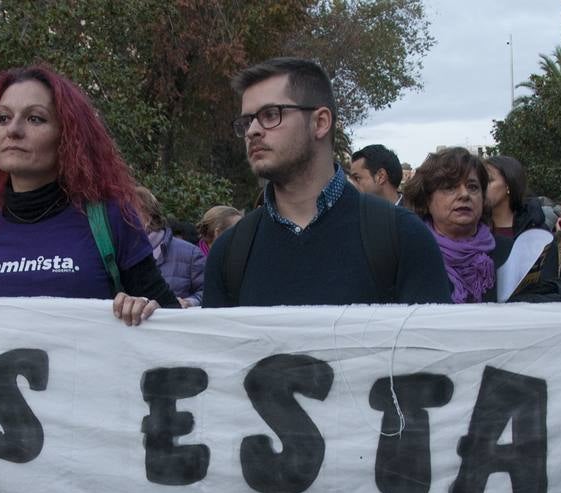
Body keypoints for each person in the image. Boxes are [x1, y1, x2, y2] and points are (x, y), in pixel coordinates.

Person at [204, 57, 449, 308]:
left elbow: (434, 344)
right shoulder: (230, 252)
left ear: (320, 122)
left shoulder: (401, 236)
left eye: (270, 114)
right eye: (247, 121)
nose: (253, 131)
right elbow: (213, 345)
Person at [0, 64, 178, 322]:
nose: (13, 130)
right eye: (3, 118)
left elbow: (172, 323)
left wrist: (143, 308)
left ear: (67, 135)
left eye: (35, 118)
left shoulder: (110, 219)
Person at [402, 147, 510, 302]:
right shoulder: (409, 255)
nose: (465, 195)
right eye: (450, 187)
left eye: (472, 187)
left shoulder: (509, 253)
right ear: (426, 199)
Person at [135, 186, 206, 306]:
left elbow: (208, 293)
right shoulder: (119, 255)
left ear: (149, 215)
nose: (123, 219)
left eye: (131, 212)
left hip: (175, 324)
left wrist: (188, 303)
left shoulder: (191, 254)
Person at [483, 155, 547, 238]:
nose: (482, 186)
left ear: (509, 184)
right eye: (480, 180)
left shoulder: (536, 230)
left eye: (488, 180)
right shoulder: (471, 229)